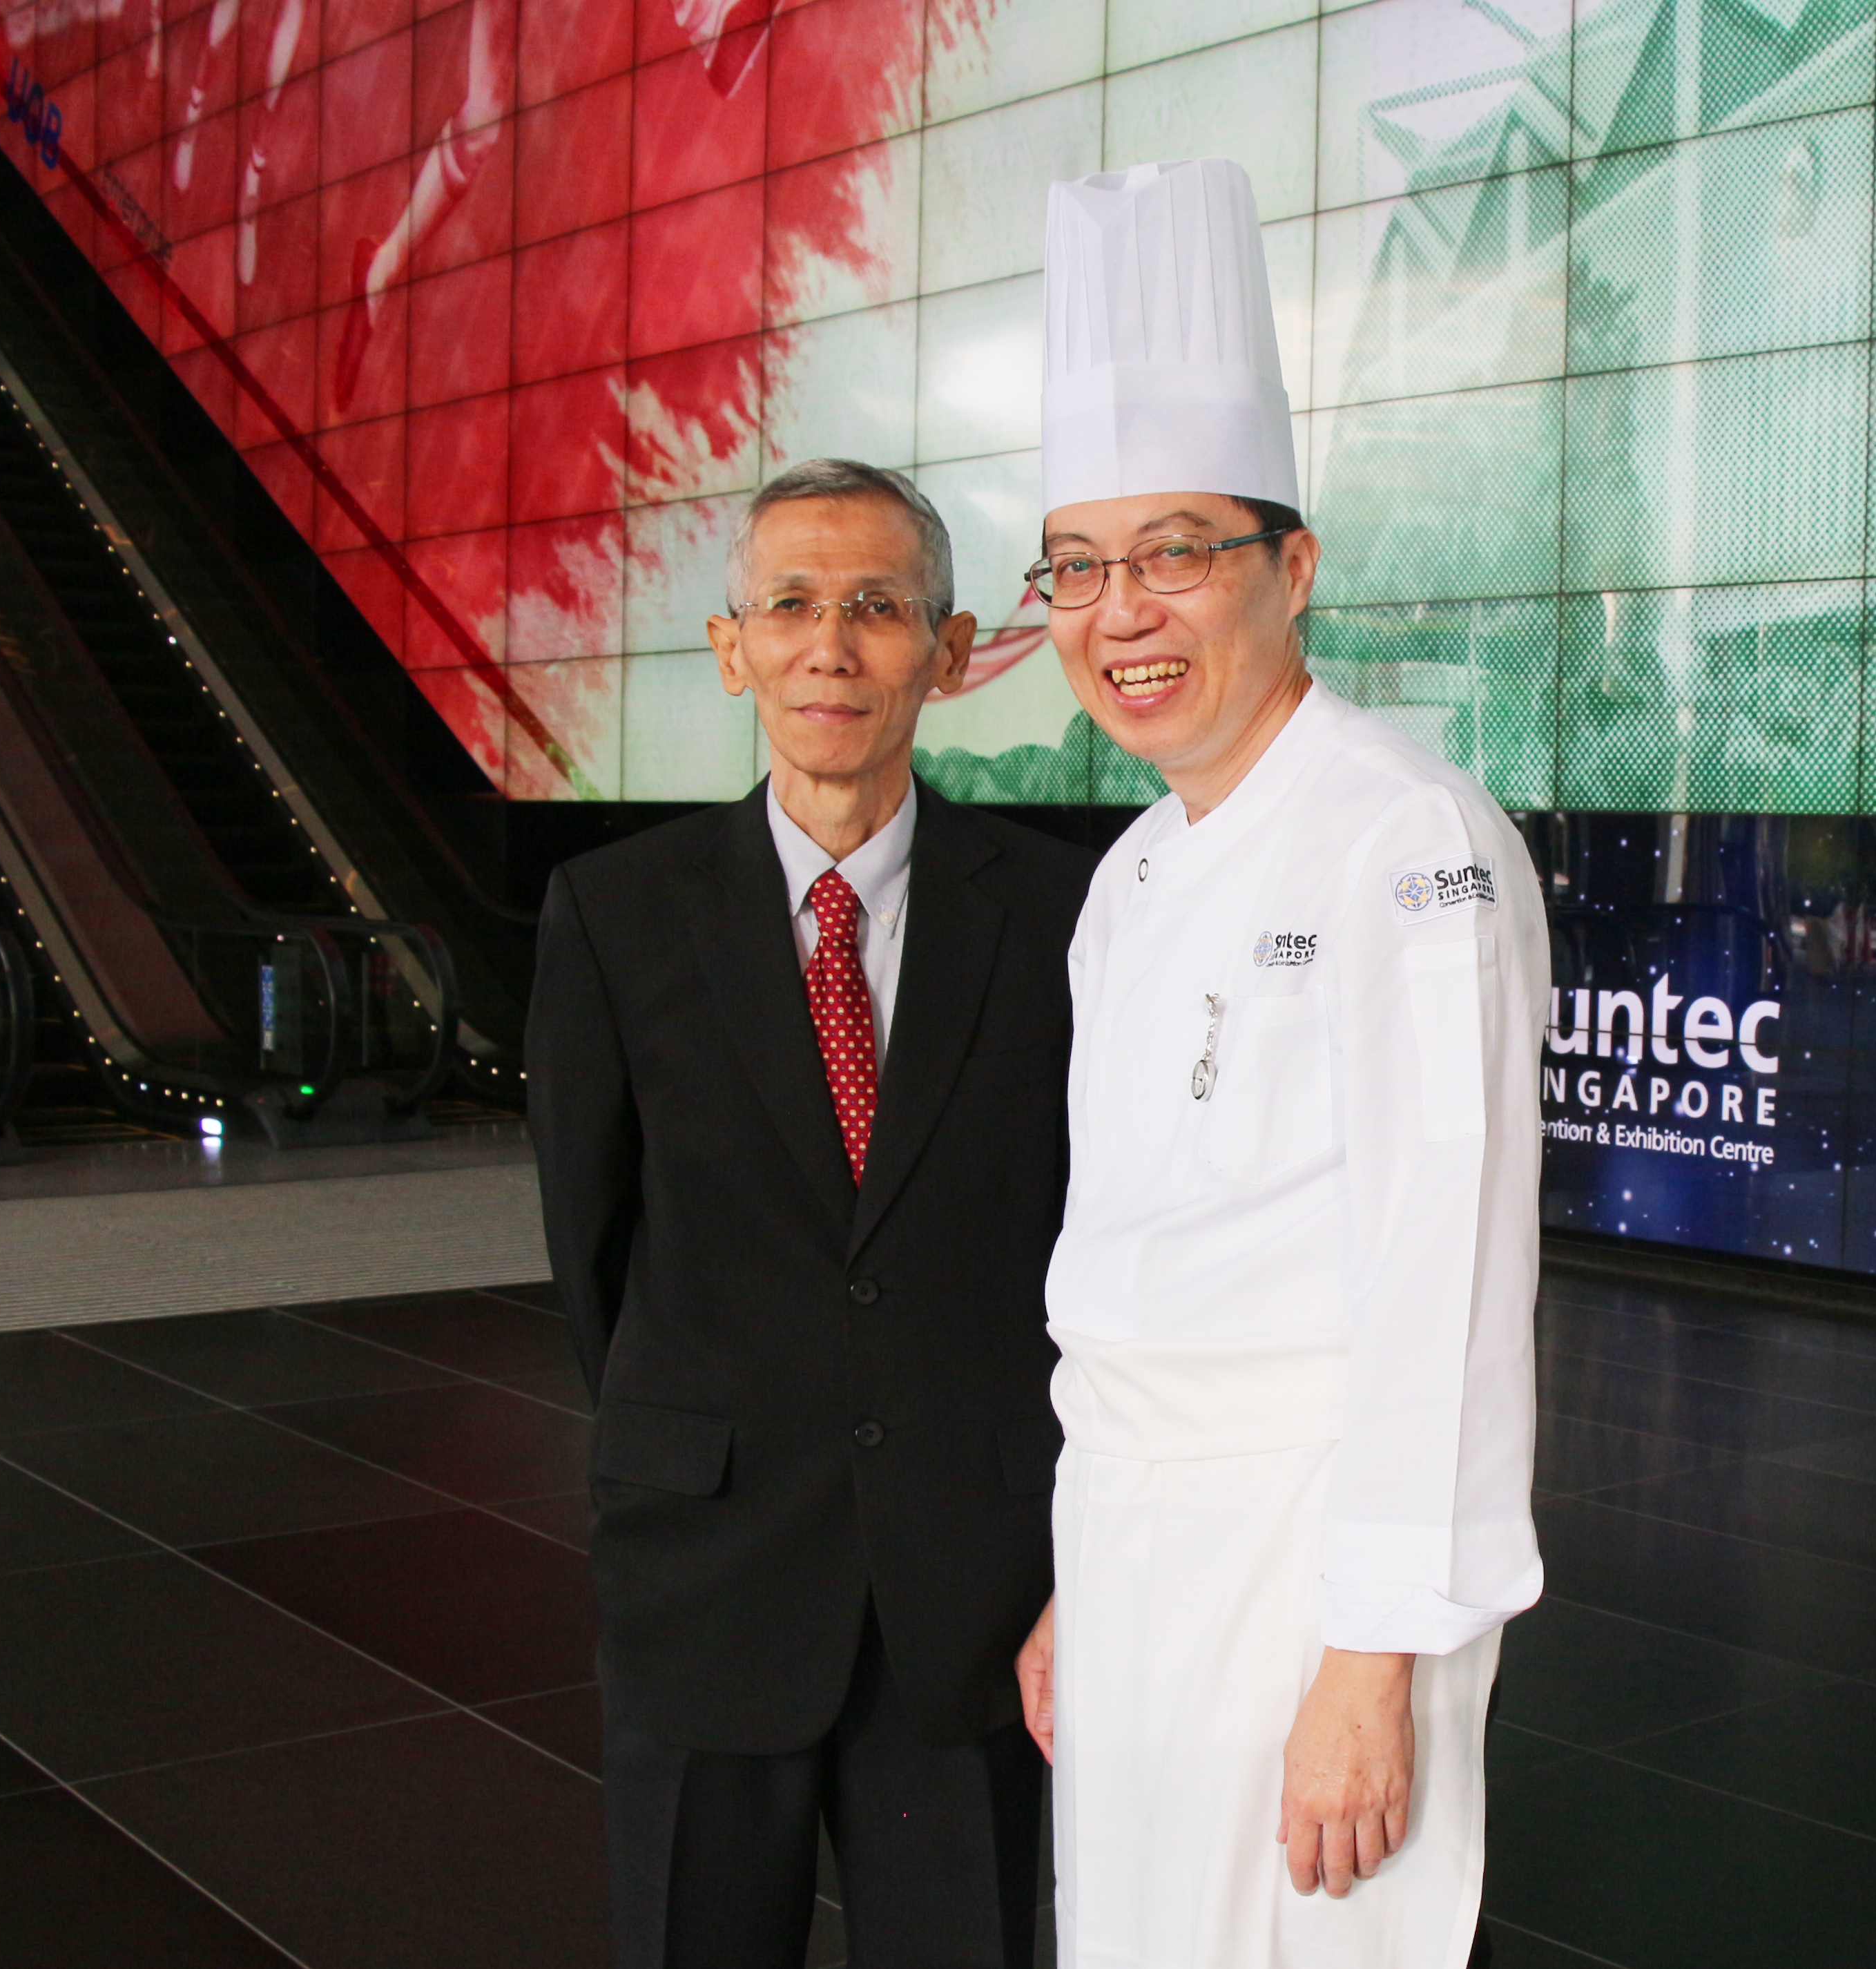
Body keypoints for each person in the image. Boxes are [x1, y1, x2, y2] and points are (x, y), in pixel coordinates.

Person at [1011, 157, 1545, 1969]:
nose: (1122, 611)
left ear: (1292, 564)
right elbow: (1128, 1256)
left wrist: (1371, 1659)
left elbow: (1448, 1284)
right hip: (1135, 1522)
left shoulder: (1409, 838)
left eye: (1175, 552)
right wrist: (1085, 1583)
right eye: (1078, 567)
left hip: (1312, 1548)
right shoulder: (1133, 871)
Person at [527, 457, 1089, 1969]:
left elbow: (1087, 1243)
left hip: (969, 1587)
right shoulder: (615, 913)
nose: (829, 645)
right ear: (732, 651)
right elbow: (593, 1247)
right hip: (705, 1566)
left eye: (876, 606)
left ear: (950, 651)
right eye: (788, 604)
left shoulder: (1061, 915)